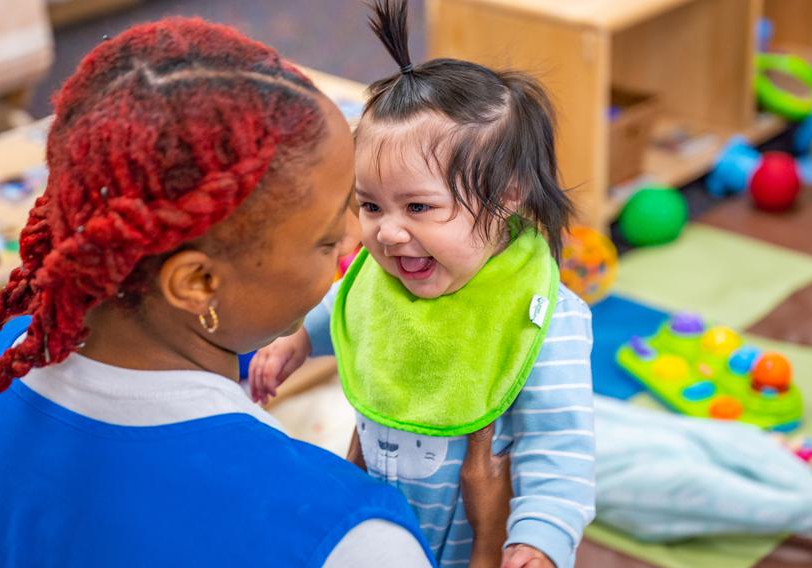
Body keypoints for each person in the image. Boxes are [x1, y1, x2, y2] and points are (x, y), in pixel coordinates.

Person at [0, 18, 509, 568]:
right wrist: (489, 540)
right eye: (323, 237)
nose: (355, 240)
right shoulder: (349, 538)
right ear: (197, 283)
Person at [250, 2, 596, 567]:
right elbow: (347, 304)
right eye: (369, 204)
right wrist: (297, 343)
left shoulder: (544, 318)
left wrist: (539, 538)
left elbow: (560, 446)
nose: (387, 232)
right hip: (381, 523)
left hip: (470, 544)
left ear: (507, 195)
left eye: (418, 206)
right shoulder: (382, 278)